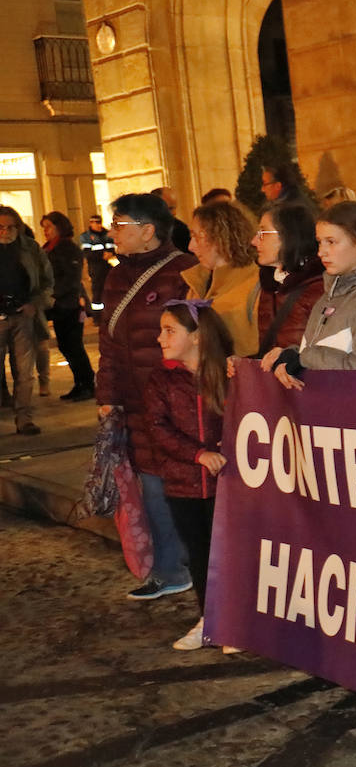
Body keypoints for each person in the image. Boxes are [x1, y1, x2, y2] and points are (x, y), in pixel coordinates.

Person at [98, 193, 199, 600]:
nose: (111, 233)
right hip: (134, 400)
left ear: (147, 231)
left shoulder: (184, 272)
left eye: (119, 225)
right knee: (150, 484)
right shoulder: (117, 275)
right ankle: (169, 569)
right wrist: (107, 394)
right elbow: (108, 341)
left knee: (171, 485)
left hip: (173, 400)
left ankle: (181, 569)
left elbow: (196, 338)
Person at [148, 299, 234, 652]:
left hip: (226, 486)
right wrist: (198, 454)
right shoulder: (161, 380)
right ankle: (210, 619)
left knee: (228, 553)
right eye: (161, 330)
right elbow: (157, 427)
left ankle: (235, 623)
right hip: (182, 484)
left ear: (197, 337)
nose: (159, 338)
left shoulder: (229, 376)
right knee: (199, 554)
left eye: (170, 330)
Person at [263, 201, 356, 386]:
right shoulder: (327, 296)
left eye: (331, 242)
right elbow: (319, 350)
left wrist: (303, 358)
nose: (321, 252)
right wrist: (289, 355)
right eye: (319, 242)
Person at [183, 201, 261, 356]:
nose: (190, 246)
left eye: (198, 236)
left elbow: (255, 348)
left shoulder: (256, 285)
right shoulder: (196, 282)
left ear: (221, 237)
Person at [0, 207, 52, 434]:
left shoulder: (30, 249)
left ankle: (24, 418)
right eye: (1, 227)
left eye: (10, 227)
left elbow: (47, 282)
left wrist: (35, 303)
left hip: (23, 316)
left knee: (24, 371)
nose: (5, 231)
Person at [253, 205, 324, 356]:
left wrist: (290, 360)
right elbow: (267, 352)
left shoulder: (318, 287)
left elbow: (324, 353)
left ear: (288, 235)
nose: (254, 241)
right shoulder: (270, 285)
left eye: (263, 233)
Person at [39, 212, 95, 401]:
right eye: (44, 227)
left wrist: (52, 295)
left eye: (49, 226)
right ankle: (80, 383)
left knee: (73, 346)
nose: (45, 231)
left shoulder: (67, 248)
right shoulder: (49, 248)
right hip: (59, 306)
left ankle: (87, 383)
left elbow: (71, 278)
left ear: (59, 227)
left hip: (70, 305)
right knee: (65, 345)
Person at [81, 214, 114, 312]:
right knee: (97, 291)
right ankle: (98, 315)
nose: (98, 225)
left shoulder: (107, 234)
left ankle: (109, 312)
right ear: (91, 223)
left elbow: (112, 247)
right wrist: (101, 255)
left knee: (109, 289)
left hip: (107, 265)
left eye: (99, 222)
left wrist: (110, 253)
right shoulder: (86, 237)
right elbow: (87, 253)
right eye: (96, 223)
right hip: (95, 267)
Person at [153, 186, 192, 252]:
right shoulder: (141, 228)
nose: (174, 213)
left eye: (175, 208)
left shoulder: (181, 230)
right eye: (170, 208)